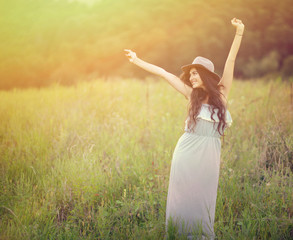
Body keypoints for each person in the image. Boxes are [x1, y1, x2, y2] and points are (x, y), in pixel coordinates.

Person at [125, 18, 244, 240]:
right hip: (186, 153)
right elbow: (163, 73)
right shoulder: (191, 95)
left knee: (204, 198)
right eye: (190, 75)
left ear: (206, 75)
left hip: (210, 156)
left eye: (195, 73)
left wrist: (239, 32)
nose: (191, 77)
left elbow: (231, 60)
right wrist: (137, 60)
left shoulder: (222, 94)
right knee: (183, 197)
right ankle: (179, 234)